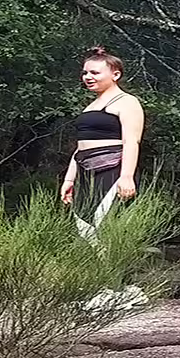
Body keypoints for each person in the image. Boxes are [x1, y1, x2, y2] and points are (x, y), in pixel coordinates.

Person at [60, 48, 144, 235]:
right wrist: (69, 179)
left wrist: (127, 177)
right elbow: (80, 147)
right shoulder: (91, 106)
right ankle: (92, 265)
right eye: (85, 73)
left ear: (115, 75)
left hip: (112, 171)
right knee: (82, 225)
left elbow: (131, 142)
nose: (88, 77)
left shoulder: (127, 102)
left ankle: (111, 264)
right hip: (84, 172)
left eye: (95, 73)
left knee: (101, 224)